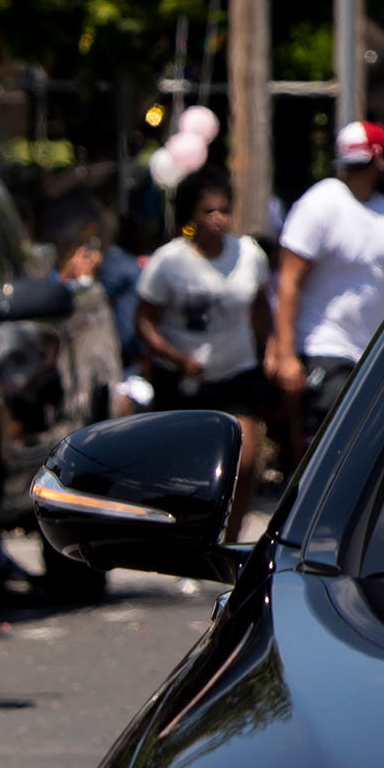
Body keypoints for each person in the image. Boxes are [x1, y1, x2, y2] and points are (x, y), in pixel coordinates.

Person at [135, 168, 274, 532]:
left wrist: (271, 347)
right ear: (191, 217)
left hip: (236, 370)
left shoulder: (249, 254)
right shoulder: (169, 261)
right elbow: (145, 320)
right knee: (188, 469)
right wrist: (177, 358)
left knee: (244, 461)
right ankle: (188, 540)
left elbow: (260, 305)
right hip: (184, 378)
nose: (219, 219)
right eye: (208, 212)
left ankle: (230, 540)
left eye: (225, 211)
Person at [273, 120, 384, 448]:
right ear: (379, 158)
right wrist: (284, 354)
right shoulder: (320, 205)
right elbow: (288, 281)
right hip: (324, 345)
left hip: (372, 352)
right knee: (327, 444)